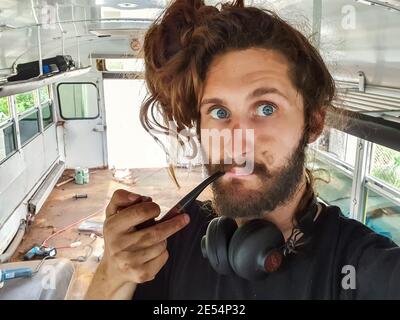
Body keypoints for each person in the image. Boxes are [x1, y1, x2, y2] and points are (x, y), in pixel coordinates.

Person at [85, 0, 400, 300]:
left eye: (265, 108)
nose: (236, 140)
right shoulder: (174, 237)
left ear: (313, 124)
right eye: (220, 112)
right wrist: (113, 274)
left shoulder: (359, 265)